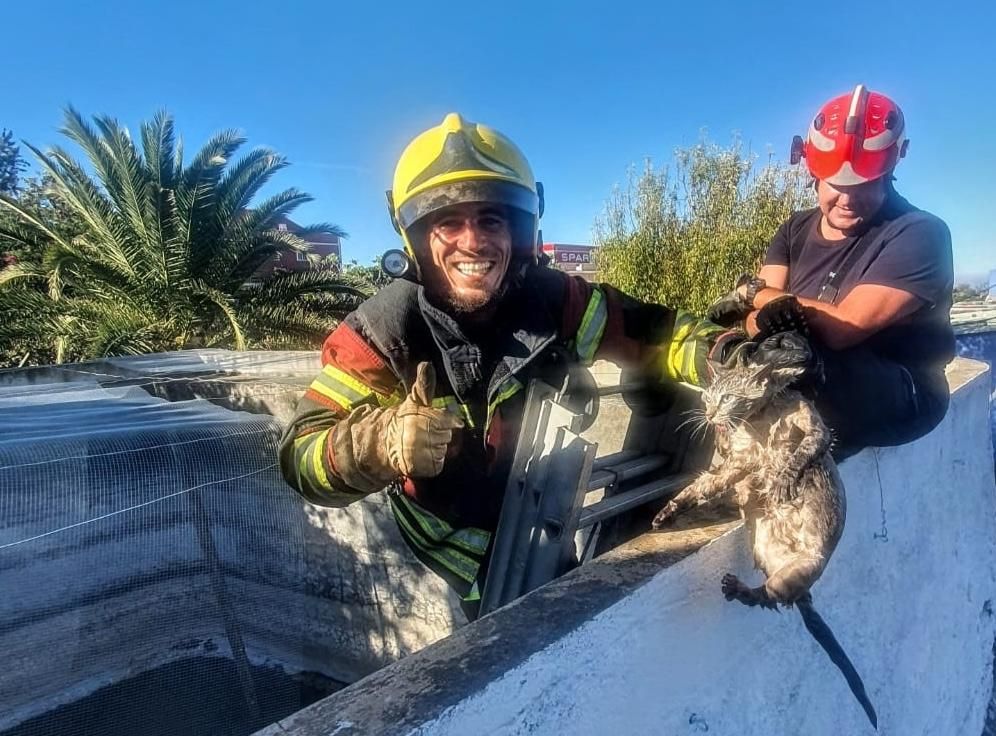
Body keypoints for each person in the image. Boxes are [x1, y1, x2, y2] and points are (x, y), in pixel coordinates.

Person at [278, 113, 758, 620]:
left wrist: (735, 358)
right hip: (453, 542)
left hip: (542, 516)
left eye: (492, 219)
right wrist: (377, 444)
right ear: (415, 238)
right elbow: (300, 454)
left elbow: (660, 336)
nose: (474, 241)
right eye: (448, 222)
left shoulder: (554, 301)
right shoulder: (383, 332)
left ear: (521, 230)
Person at [710, 85, 955, 457]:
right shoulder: (793, 229)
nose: (848, 198)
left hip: (901, 389)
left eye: (866, 185)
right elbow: (757, 322)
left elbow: (843, 328)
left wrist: (750, 292)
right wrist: (761, 311)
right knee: (716, 348)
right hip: (820, 370)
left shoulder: (920, 233)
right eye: (836, 185)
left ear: (891, 168)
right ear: (814, 174)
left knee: (798, 355)